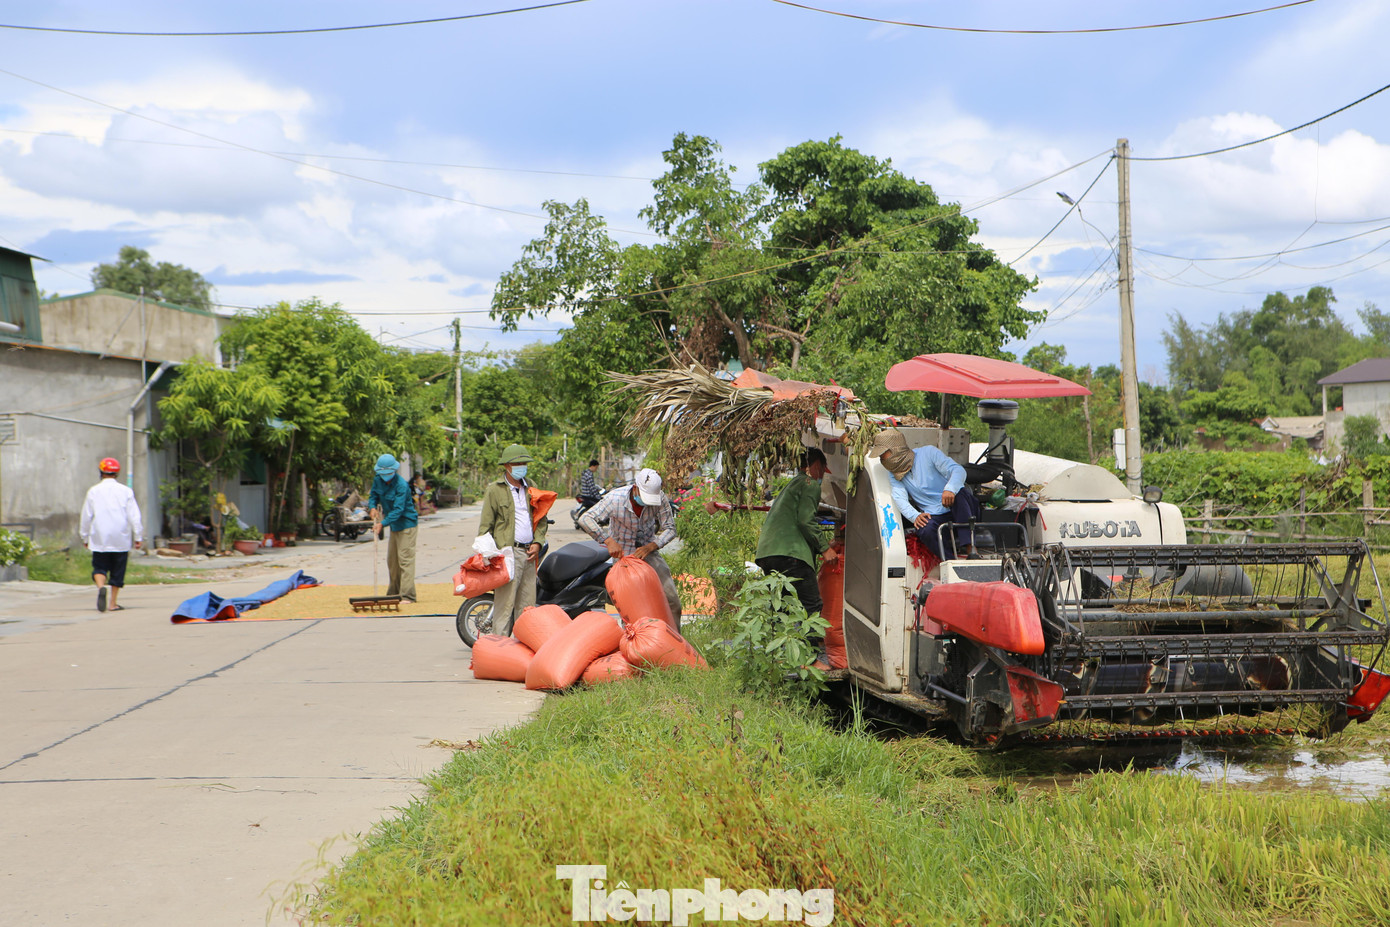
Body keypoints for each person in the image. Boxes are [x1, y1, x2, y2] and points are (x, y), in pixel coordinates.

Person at [579, 468, 682, 624]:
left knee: (672, 601)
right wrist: (608, 540)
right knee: (630, 608)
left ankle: (674, 642)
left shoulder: (659, 498)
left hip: (649, 553)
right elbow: (586, 519)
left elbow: (670, 528)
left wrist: (653, 546)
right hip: (623, 557)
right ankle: (634, 643)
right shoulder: (615, 498)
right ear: (635, 488)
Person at [868, 428, 982, 561]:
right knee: (924, 529)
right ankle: (950, 562)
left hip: (961, 508)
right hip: (935, 515)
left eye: (883, 454)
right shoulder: (894, 474)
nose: (882, 459)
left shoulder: (928, 453)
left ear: (895, 450)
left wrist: (950, 489)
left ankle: (971, 549)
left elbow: (957, 470)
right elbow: (899, 497)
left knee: (959, 494)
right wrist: (915, 516)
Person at [754, 448, 837, 619]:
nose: (821, 476)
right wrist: (824, 548)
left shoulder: (793, 484)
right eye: (822, 470)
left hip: (768, 553)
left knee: (781, 609)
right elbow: (806, 520)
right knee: (812, 606)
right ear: (816, 465)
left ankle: (781, 646)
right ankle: (811, 646)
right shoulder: (810, 484)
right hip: (790, 555)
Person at [478, 444, 547, 636]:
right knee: (505, 606)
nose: (522, 466)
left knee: (527, 607)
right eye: (518, 463)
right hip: (507, 554)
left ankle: (521, 651)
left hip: (530, 554)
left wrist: (538, 542)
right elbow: (485, 527)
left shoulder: (530, 486)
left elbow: (541, 519)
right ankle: (499, 651)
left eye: (524, 463)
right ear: (507, 466)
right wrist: (488, 556)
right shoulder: (494, 490)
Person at [79, 457, 144, 612]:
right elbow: (135, 516)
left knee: (99, 567)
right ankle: (112, 603)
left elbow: (86, 516)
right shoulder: (126, 491)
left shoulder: (93, 491)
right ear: (117, 473)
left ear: (101, 472)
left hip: (99, 537)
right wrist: (138, 537)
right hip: (120, 537)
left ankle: (101, 587)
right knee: (117, 570)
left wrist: (84, 536)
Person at [367, 453, 418, 603]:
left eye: (387, 473)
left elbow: (398, 510)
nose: (385, 477)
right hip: (394, 525)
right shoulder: (377, 480)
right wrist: (372, 508)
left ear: (394, 471)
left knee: (405, 560)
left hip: (407, 525)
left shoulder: (402, 485)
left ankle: (408, 595)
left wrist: (382, 524)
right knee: (392, 561)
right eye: (382, 474)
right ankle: (394, 593)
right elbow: (373, 496)